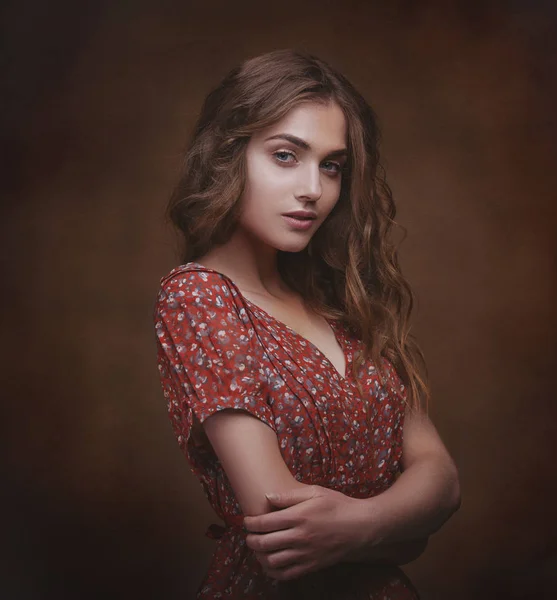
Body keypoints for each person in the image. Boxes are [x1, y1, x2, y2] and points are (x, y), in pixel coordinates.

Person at [153, 49, 461, 599]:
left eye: (331, 165)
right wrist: (400, 526)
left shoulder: (342, 303)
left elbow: (442, 479)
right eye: (286, 156)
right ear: (229, 156)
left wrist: (361, 528)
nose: (314, 190)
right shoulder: (198, 296)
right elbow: (284, 536)